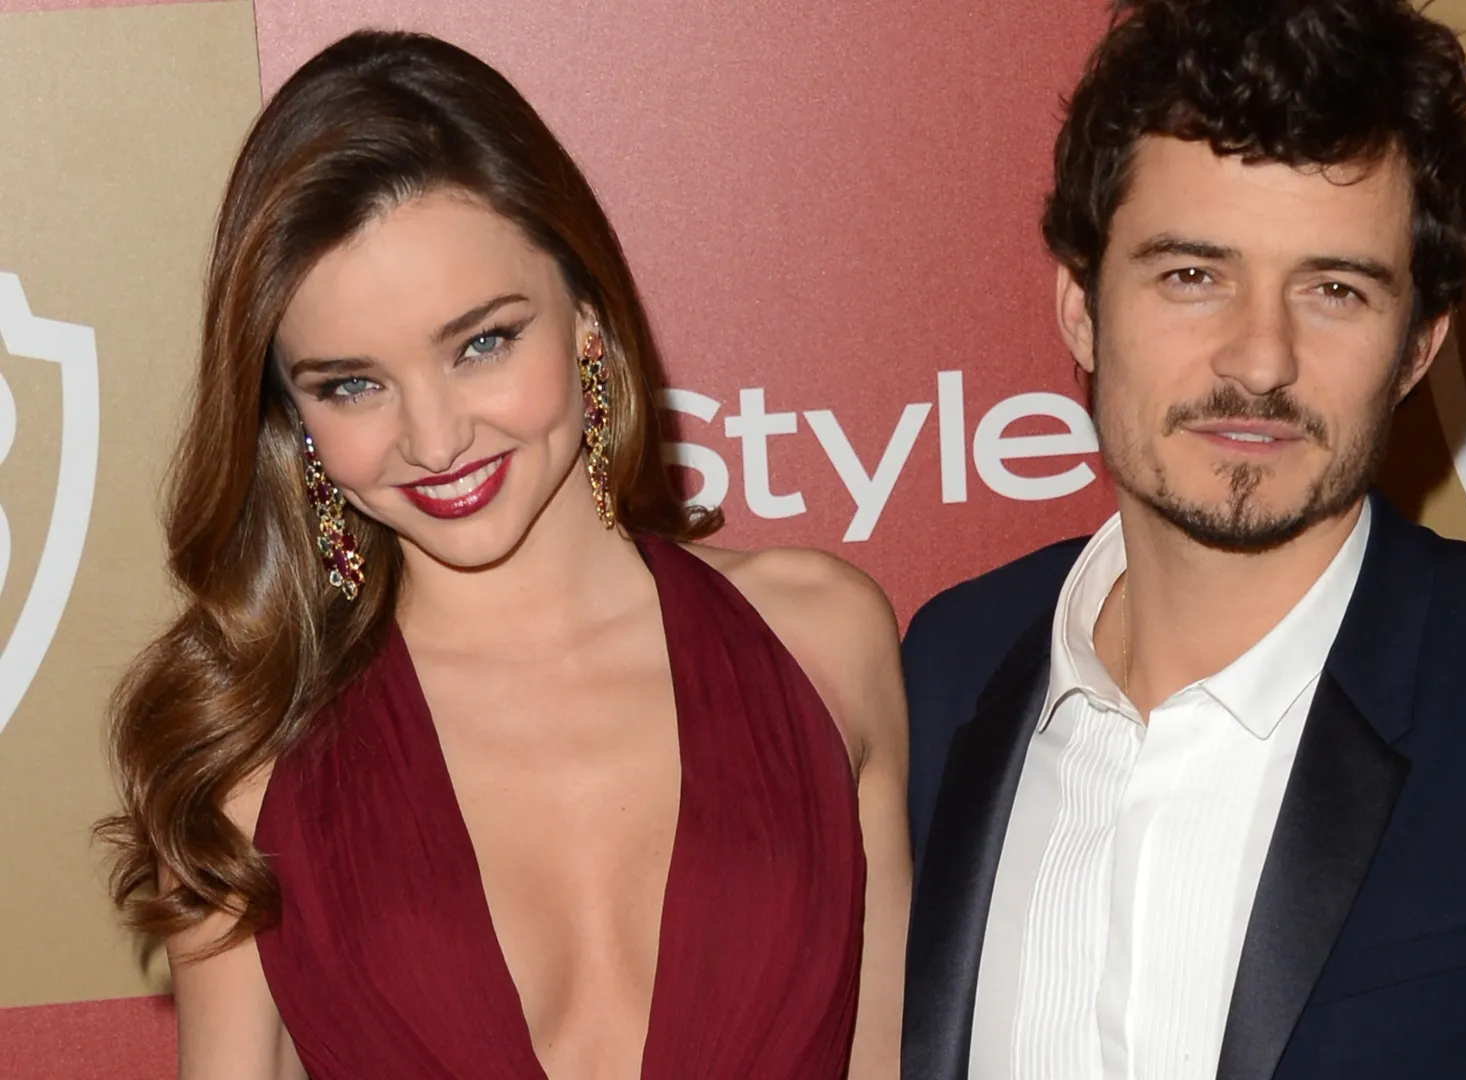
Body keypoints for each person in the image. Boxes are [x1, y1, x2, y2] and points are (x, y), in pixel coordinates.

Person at [900, 1, 1466, 1077]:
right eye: (1193, 275)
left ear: (1418, 347)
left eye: (1334, 290)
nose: (1260, 359)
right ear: (1081, 307)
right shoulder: (947, 672)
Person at [97, 30, 909, 1080]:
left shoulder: (822, 643)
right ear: (290, 417)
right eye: (353, 384)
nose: (436, 440)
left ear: (584, 312)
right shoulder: (255, 772)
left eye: (481, 342)